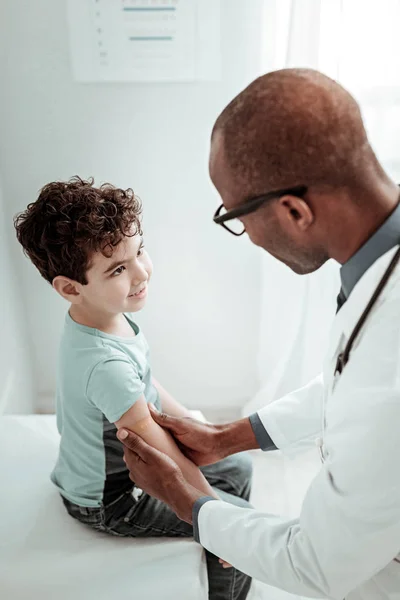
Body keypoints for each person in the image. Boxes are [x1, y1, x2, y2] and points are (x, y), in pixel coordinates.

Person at [117, 68, 400, 600]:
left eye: (239, 217)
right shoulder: (379, 263)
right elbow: (351, 383)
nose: (246, 237)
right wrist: (230, 436)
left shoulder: (391, 369)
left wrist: (186, 499)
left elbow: (312, 564)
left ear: (295, 210)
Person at [14, 177, 253, 600]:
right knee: (244, 528)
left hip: (131, 462)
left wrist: (194, 423)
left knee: (240, 470)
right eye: (118, 269)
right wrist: (217, 518)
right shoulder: (103, 365)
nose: (141, 271)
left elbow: (146, 380)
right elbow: (157, 448)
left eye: (139, 250)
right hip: (113, 498)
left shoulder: (98, 316)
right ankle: (226, 576)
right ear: (70, 287)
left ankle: (209, 544)